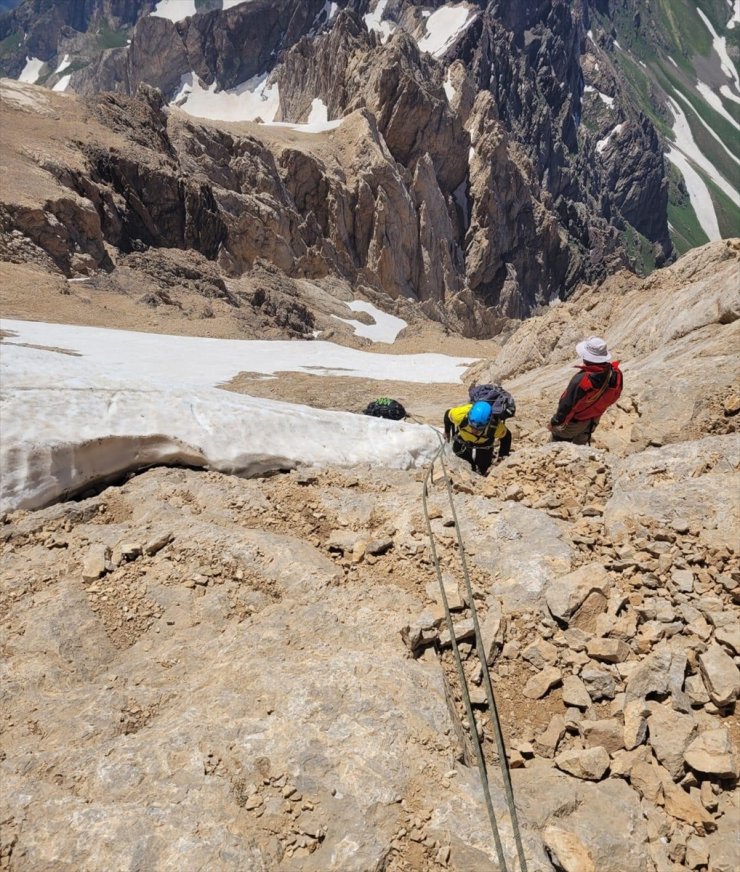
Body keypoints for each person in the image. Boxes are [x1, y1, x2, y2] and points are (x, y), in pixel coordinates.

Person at [549, 337, 623, 445]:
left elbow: (566, 405)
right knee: (580, 448)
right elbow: (615, 395)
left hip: (573, 423)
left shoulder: (581, 380)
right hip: (592, 420)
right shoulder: (616, 373)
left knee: (556, 448)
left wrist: (555, 423)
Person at [444, 400, 512, 475]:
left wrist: (502, 455)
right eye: (472, 426)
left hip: (483, 443)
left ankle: (480, 473)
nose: (474, 431)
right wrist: (447, 431)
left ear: (488, 423)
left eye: (478, 429)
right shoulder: (460, 415)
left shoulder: (495, 426)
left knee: (483, 465)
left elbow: (506, 437)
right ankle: (471, 467)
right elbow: (447, 415)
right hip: (464, 438)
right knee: (459, 452)